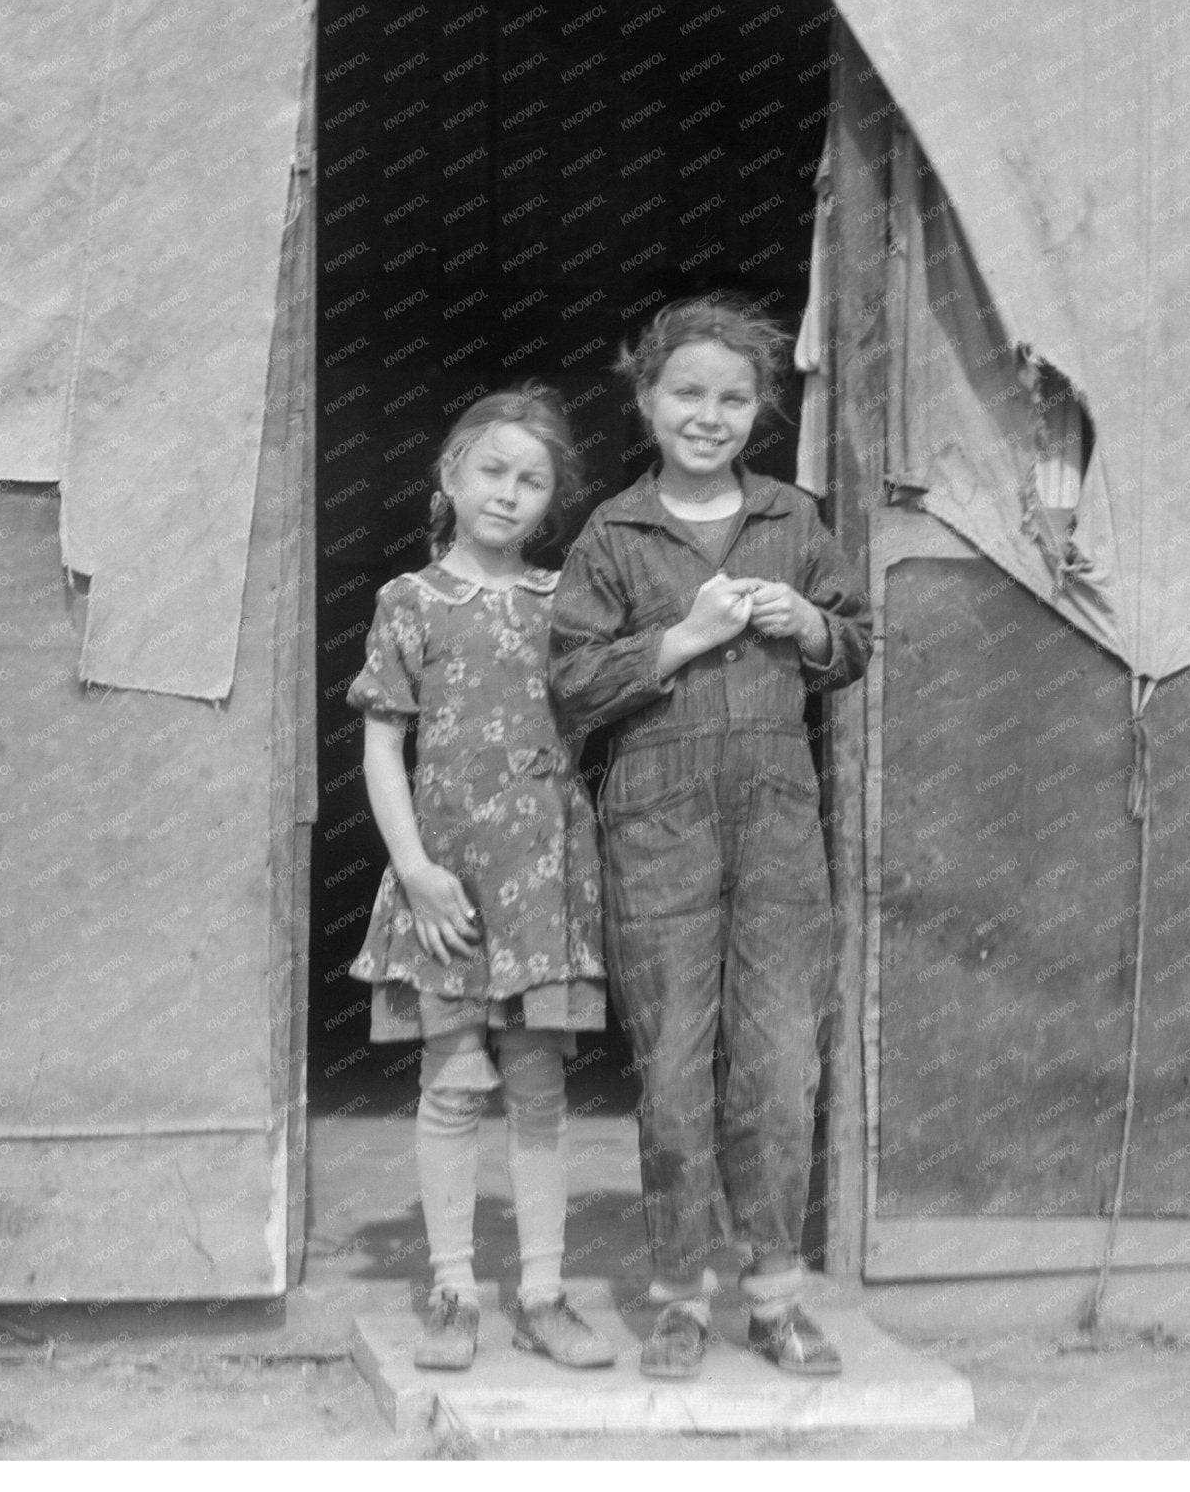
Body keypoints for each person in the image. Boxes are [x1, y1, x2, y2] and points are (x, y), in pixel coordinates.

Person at [549, 295, 872, 1380]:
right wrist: (680, 637)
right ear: (645, 400)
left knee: (780, 1064)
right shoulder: (613, 533)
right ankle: (680, 1297)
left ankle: (774, 1299)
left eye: (733, 398)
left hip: (778, 818)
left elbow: (858, 638)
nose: (709, 414)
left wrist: (812, 625)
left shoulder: (792, 518)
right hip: (656, 818)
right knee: (676, 1067)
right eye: (686, 392)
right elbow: (571, 682)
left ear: (759, 412)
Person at [346, 382, 615, 1373]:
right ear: (450, 476)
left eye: (532, 480)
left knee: (538, 1085)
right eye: (491, 471)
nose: (508, 494)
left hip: (540, 880)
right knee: (453, 1083)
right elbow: (383, 746)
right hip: (446, 885)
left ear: (554, 501)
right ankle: (453, 1289)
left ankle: (542, 1293)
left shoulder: (564, 603)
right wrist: (412, 868)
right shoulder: (408, 603)